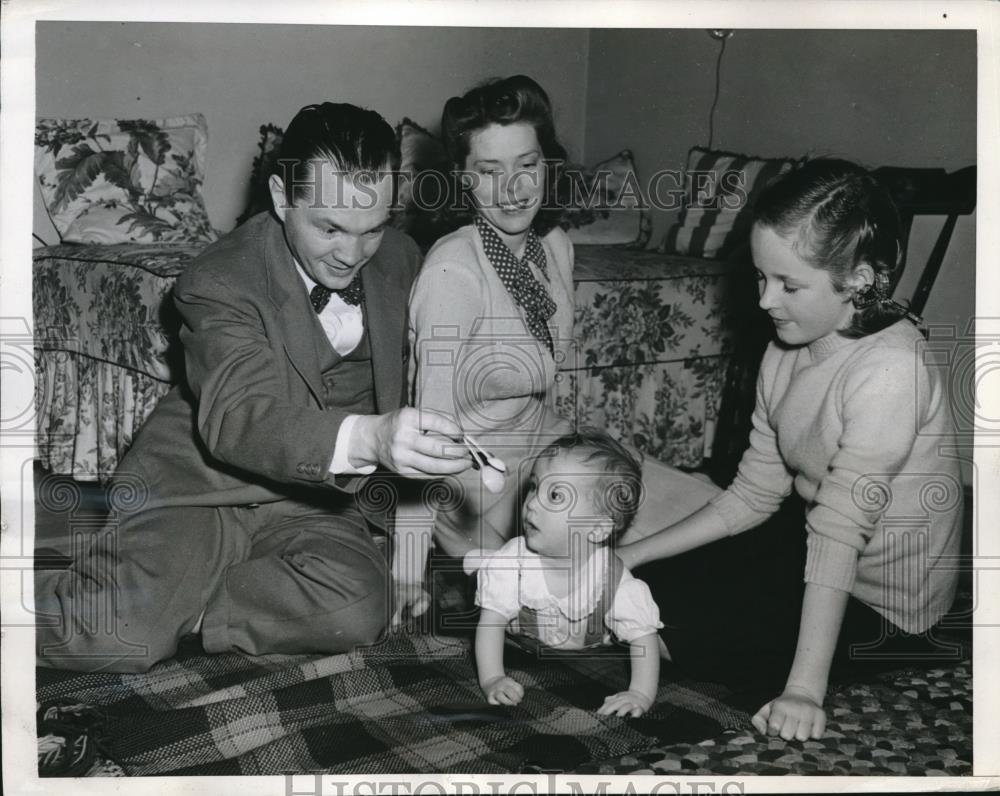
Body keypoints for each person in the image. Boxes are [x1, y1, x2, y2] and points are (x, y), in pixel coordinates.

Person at [35, 102, 472, 673]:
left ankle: (183, 605)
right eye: (331, 228)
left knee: (362, 606)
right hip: (202, 488)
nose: (352, 254)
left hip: (314, 502)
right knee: (114, 637)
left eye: (373, 229)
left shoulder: (402, 259)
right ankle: (112, 594)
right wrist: (371, 438)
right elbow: (241, 415)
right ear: (282, 196)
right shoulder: (218, 278)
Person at [617, 159, 964, 740]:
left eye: (789, 285)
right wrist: (630, 556)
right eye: (761, 277)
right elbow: (753, 494)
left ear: (857, 280)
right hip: (811, 547)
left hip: (890, 613)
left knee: (701, 633)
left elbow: (839, 531)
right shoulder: (784, 351)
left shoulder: (891, 370)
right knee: (652, 588)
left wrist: (805, 690)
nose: (764, 301)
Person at [392, 75, 575, 622]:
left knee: (665, 513)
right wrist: (405, 570)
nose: (514, 189)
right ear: (462, 179)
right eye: (489, 172)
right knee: (566, 609)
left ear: (548, 164)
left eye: (528, 165)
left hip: (540, 463)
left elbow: (547, 388)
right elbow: (425, 435)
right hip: (472, 488)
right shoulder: (452, 271)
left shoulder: (556, 247)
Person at [475, 429, 663, 717]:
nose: (532, 502)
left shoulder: (611, 581)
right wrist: (492, 678)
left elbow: (643, 638)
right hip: (524, 644)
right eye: (535, 487)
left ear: (598, 528)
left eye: (555, 495)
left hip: (592, 651)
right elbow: (490, 622)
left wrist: (640, 693)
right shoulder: (514, 561)